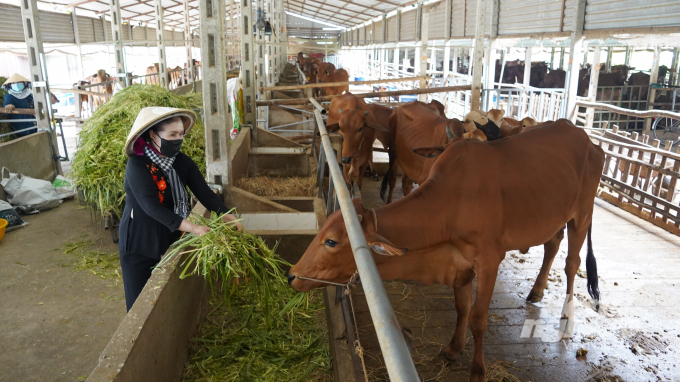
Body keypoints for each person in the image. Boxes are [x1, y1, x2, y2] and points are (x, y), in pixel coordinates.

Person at [119, 107, 241, 311]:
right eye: (172, 135)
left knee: (166, 300)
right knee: (139, 305)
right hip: (140, 242)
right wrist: (194, 228)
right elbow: (151, 207)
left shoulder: (181, 162)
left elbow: (205, 194)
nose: (178, 139)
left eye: (181, 134)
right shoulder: (138, 165)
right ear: (153, 134)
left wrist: (228, 216)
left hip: (170, 237)